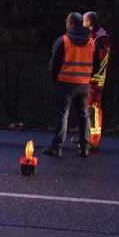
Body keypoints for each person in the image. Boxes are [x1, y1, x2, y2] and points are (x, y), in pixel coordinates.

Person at [43, 12, 98, 158]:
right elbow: (97, 65)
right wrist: (87, 77)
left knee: (62, 115)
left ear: (70, 23)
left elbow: (55, 63)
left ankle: (57, 148)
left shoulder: (64, 41)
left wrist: (56, 78)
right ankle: (85, 148)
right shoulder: (92, 42)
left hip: (66, 83)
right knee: (84, 115)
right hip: (84, 84)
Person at [83, 11, 111, 150]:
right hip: (92, 77)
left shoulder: (101, 39)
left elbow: (97, 61)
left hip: (95, 79)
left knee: (93, 108)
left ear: (89, 23)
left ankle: (93, 140)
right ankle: (87, 136)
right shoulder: (96, 36)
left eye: (84, 21)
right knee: (89, 108)